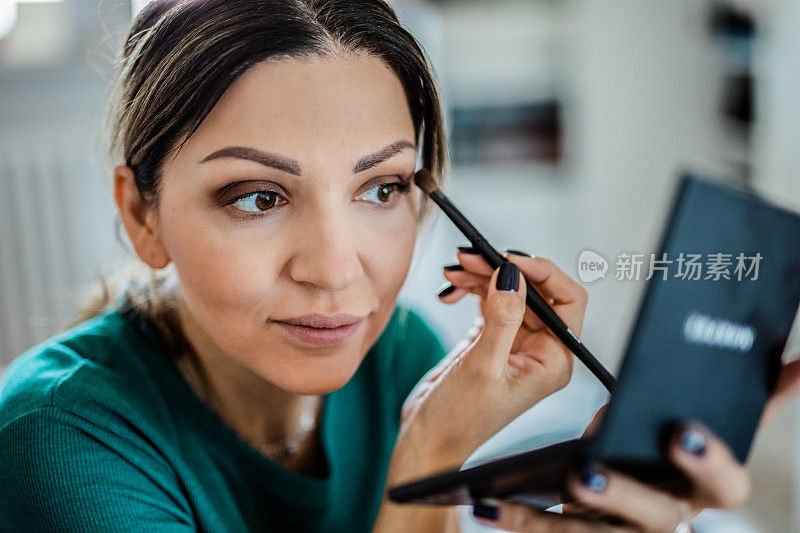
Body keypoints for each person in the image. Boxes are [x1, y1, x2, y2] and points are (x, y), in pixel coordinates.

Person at [0, 1, 798, 531]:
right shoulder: (54, 446)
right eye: (255, 196)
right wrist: (426, 461)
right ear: (143, 215)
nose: (336, 270)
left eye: (381, 187)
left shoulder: (399, 354)